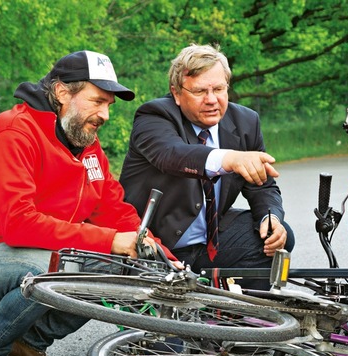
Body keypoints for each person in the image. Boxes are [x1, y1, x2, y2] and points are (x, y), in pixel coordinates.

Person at [0, 50, 176, 356]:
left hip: (28, 254)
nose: (104, 114)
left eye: (109, 105)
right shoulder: (13, 133)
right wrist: (109, 240)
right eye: (97, 101)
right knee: (54, 267)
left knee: (113, 270)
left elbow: (113, 210)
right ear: (62, 94)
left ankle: (28, 346)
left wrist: (157, 251)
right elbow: (18, 224)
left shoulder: (85, 143)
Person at [119, 44, 294, 289]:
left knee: (277, 237)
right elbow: (172, 155)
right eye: (200, 91)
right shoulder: (154, 116)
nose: (212, 100)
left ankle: (244, 320)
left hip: (209, 245)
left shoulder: (246, 121)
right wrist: (229, 159)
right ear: (177, 93)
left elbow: (262, 186)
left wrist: (271, 217)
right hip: (156, 246)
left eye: (219, 89)